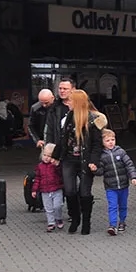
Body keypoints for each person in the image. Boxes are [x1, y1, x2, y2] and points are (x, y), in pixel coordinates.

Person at [48, 89, 103, 235]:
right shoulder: (69, 117)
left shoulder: (92, 120)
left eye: (70, 100)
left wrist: (94, 161)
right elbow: (63, 139)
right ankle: (75, 218)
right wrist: (56, 156)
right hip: (69, 159)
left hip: (85, 161)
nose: (68, 103)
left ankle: (86, 222)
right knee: (69, 190)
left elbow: (97, 144)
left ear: (78, 103)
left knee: (85, 192)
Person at [95, 128, 136, 236]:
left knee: (123, 205)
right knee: (112, 206)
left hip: (123, 185)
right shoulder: (101, 155)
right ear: (102, 142)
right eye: (107, 140)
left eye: (112, 140)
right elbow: (100, 171)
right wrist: (94, 169)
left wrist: (133, 177)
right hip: (111, 187)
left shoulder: (121, 152)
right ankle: (113, 225)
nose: (111, 142)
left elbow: (129, 165)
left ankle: (122, 222)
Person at [31, 145, 65, 233]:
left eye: (49, 156)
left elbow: (61, 174)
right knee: (48, 208)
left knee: (57, 206)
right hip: (45, 191)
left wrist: (57, 165)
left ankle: (58, 218)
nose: (46, 158)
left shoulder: (56, 165)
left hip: (56, 189)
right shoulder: (40, 166)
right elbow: (37, 178)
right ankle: (51, 223)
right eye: (44, 155)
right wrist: (34, 190)